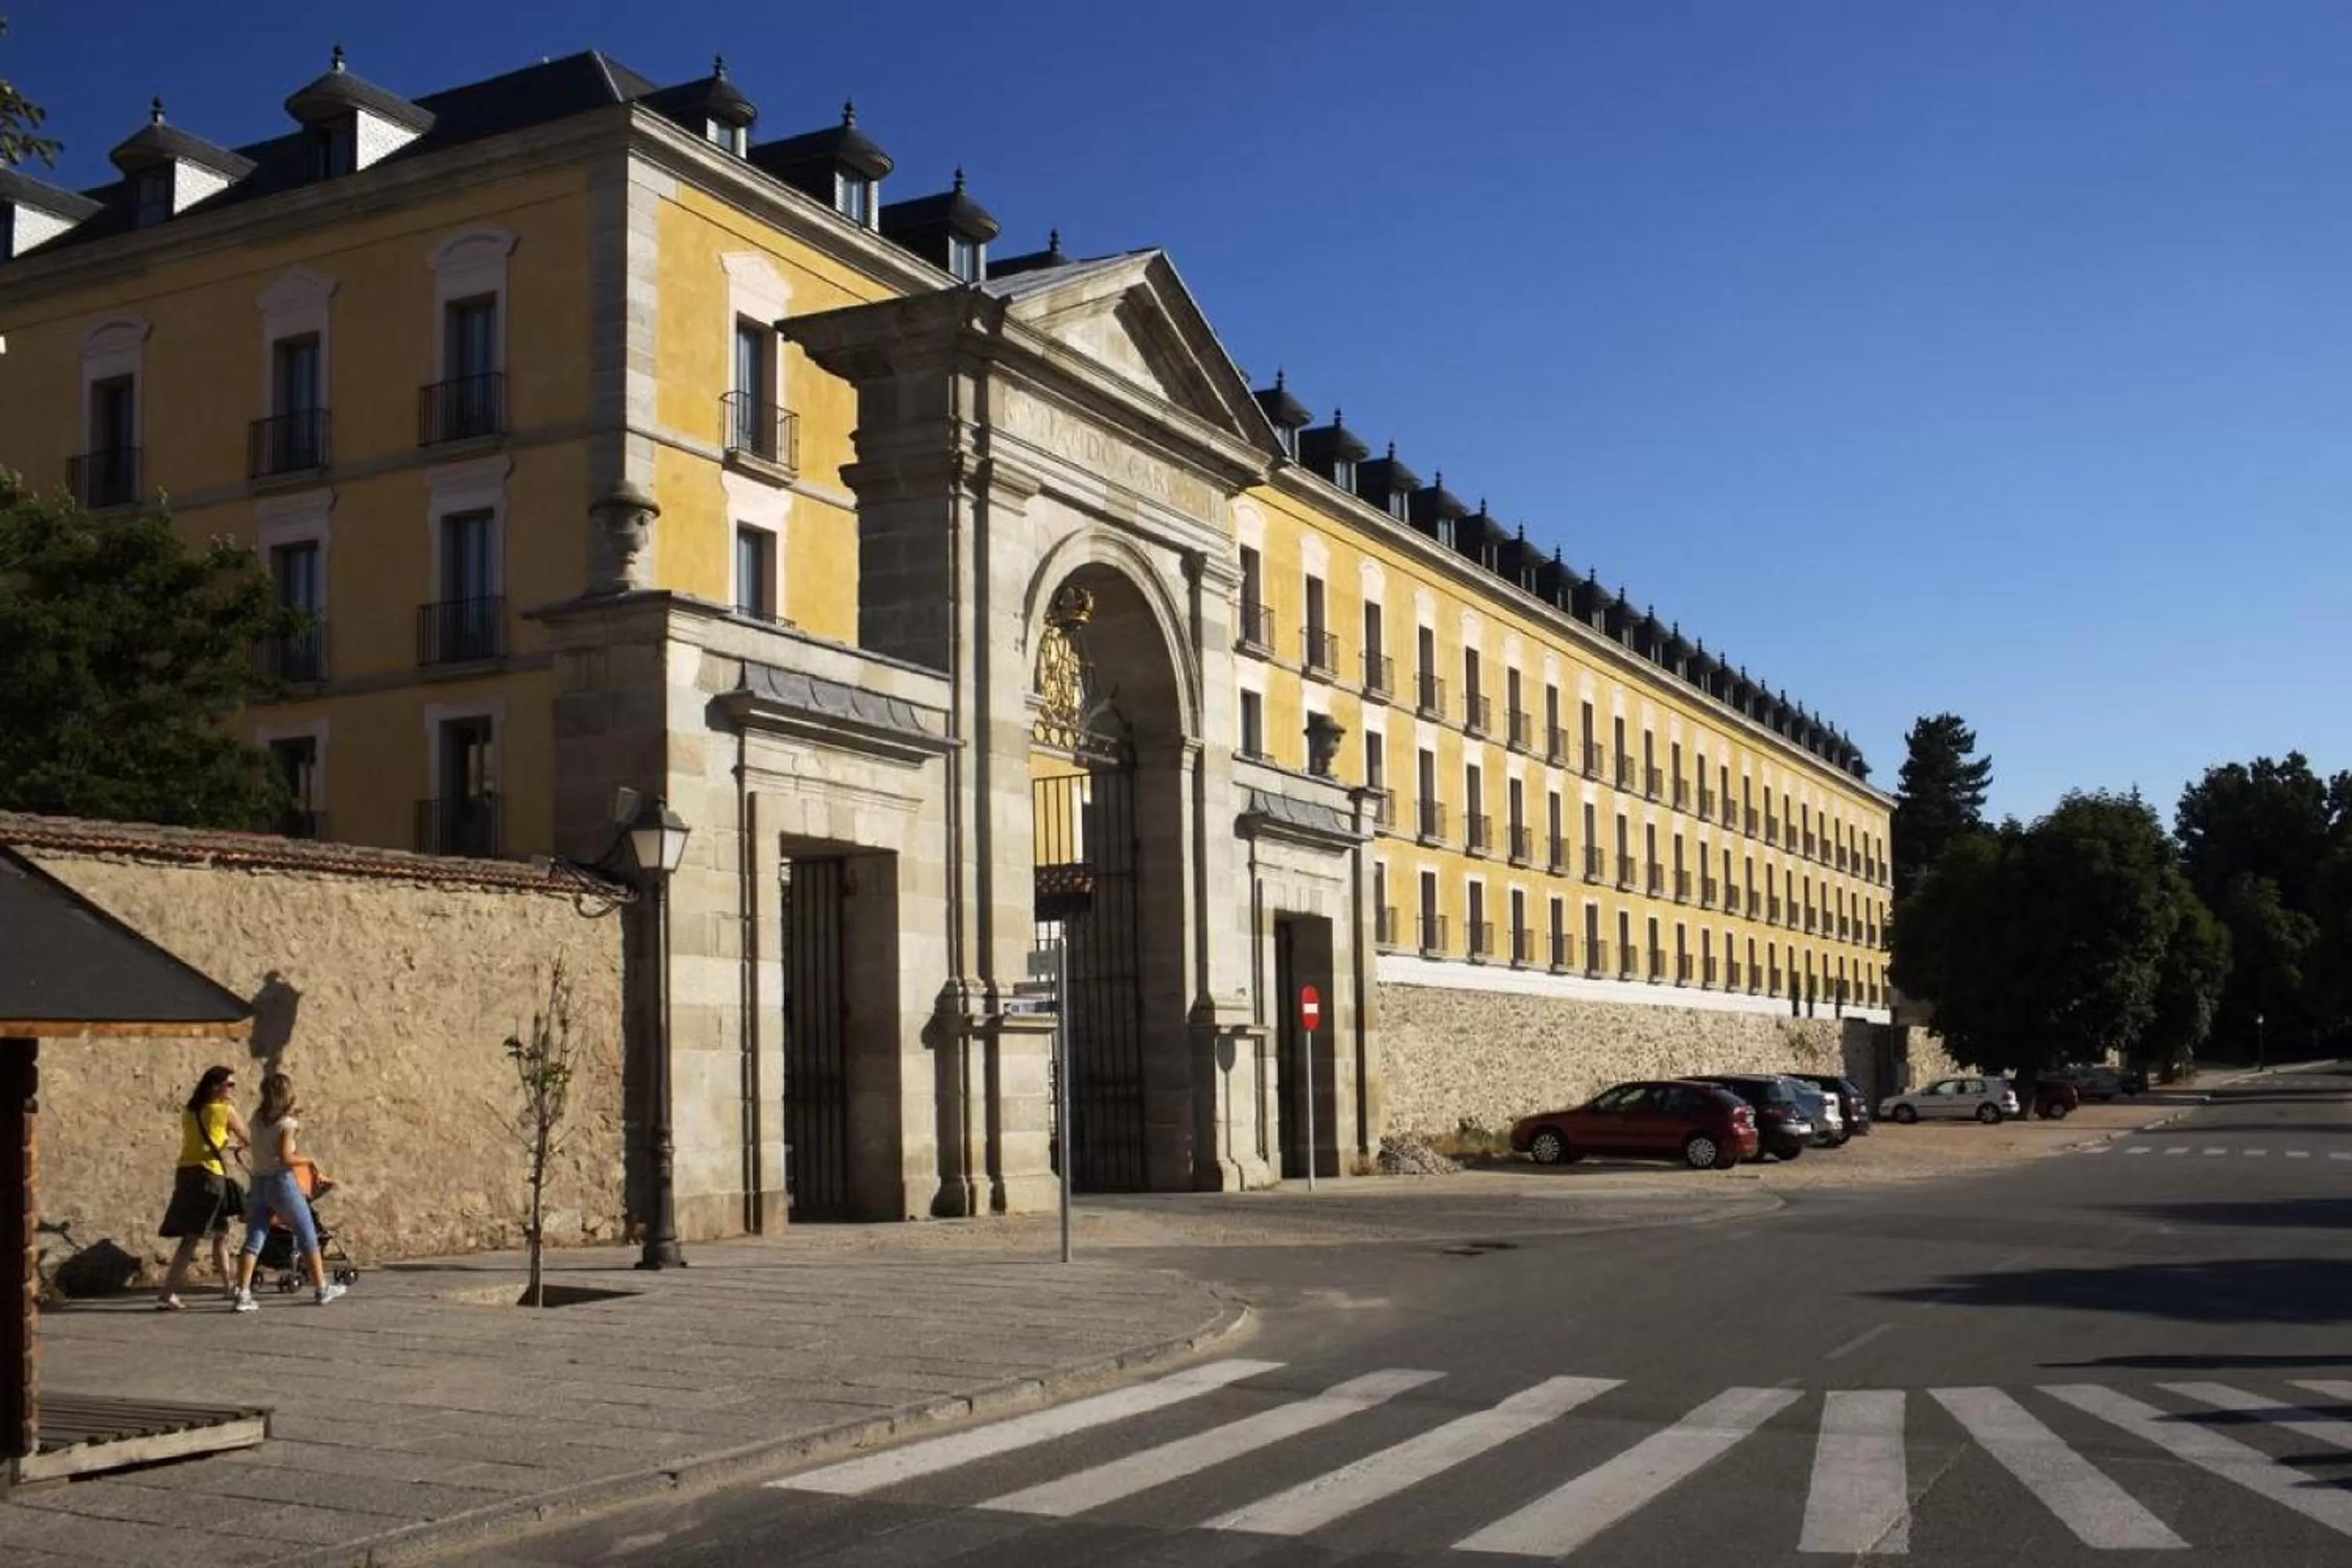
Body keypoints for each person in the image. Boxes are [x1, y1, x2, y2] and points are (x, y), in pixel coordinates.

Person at [231, 1072, 346, 1310]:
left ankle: (242, 1292)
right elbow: (285, 1157)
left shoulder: (256, 1119)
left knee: (255, 1238)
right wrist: (308, 1160)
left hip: (259, 1182)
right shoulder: (287, 1124)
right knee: (307, 1233)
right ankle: (321, 1288)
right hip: (281, 1183)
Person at [155, 1064, 250, 1310]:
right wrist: (234, 1144)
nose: (233, 1089)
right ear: (215, 1086)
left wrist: (223, 1145)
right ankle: (167, 1293)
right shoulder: (225, 1111)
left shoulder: (190, 1111)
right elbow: (249, 1139)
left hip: (187, 1171)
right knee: (192, 1238)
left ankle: (228, 1287)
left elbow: (202, 1141)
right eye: (229, 1084)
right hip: (210, 1175)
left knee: (220, 1232)